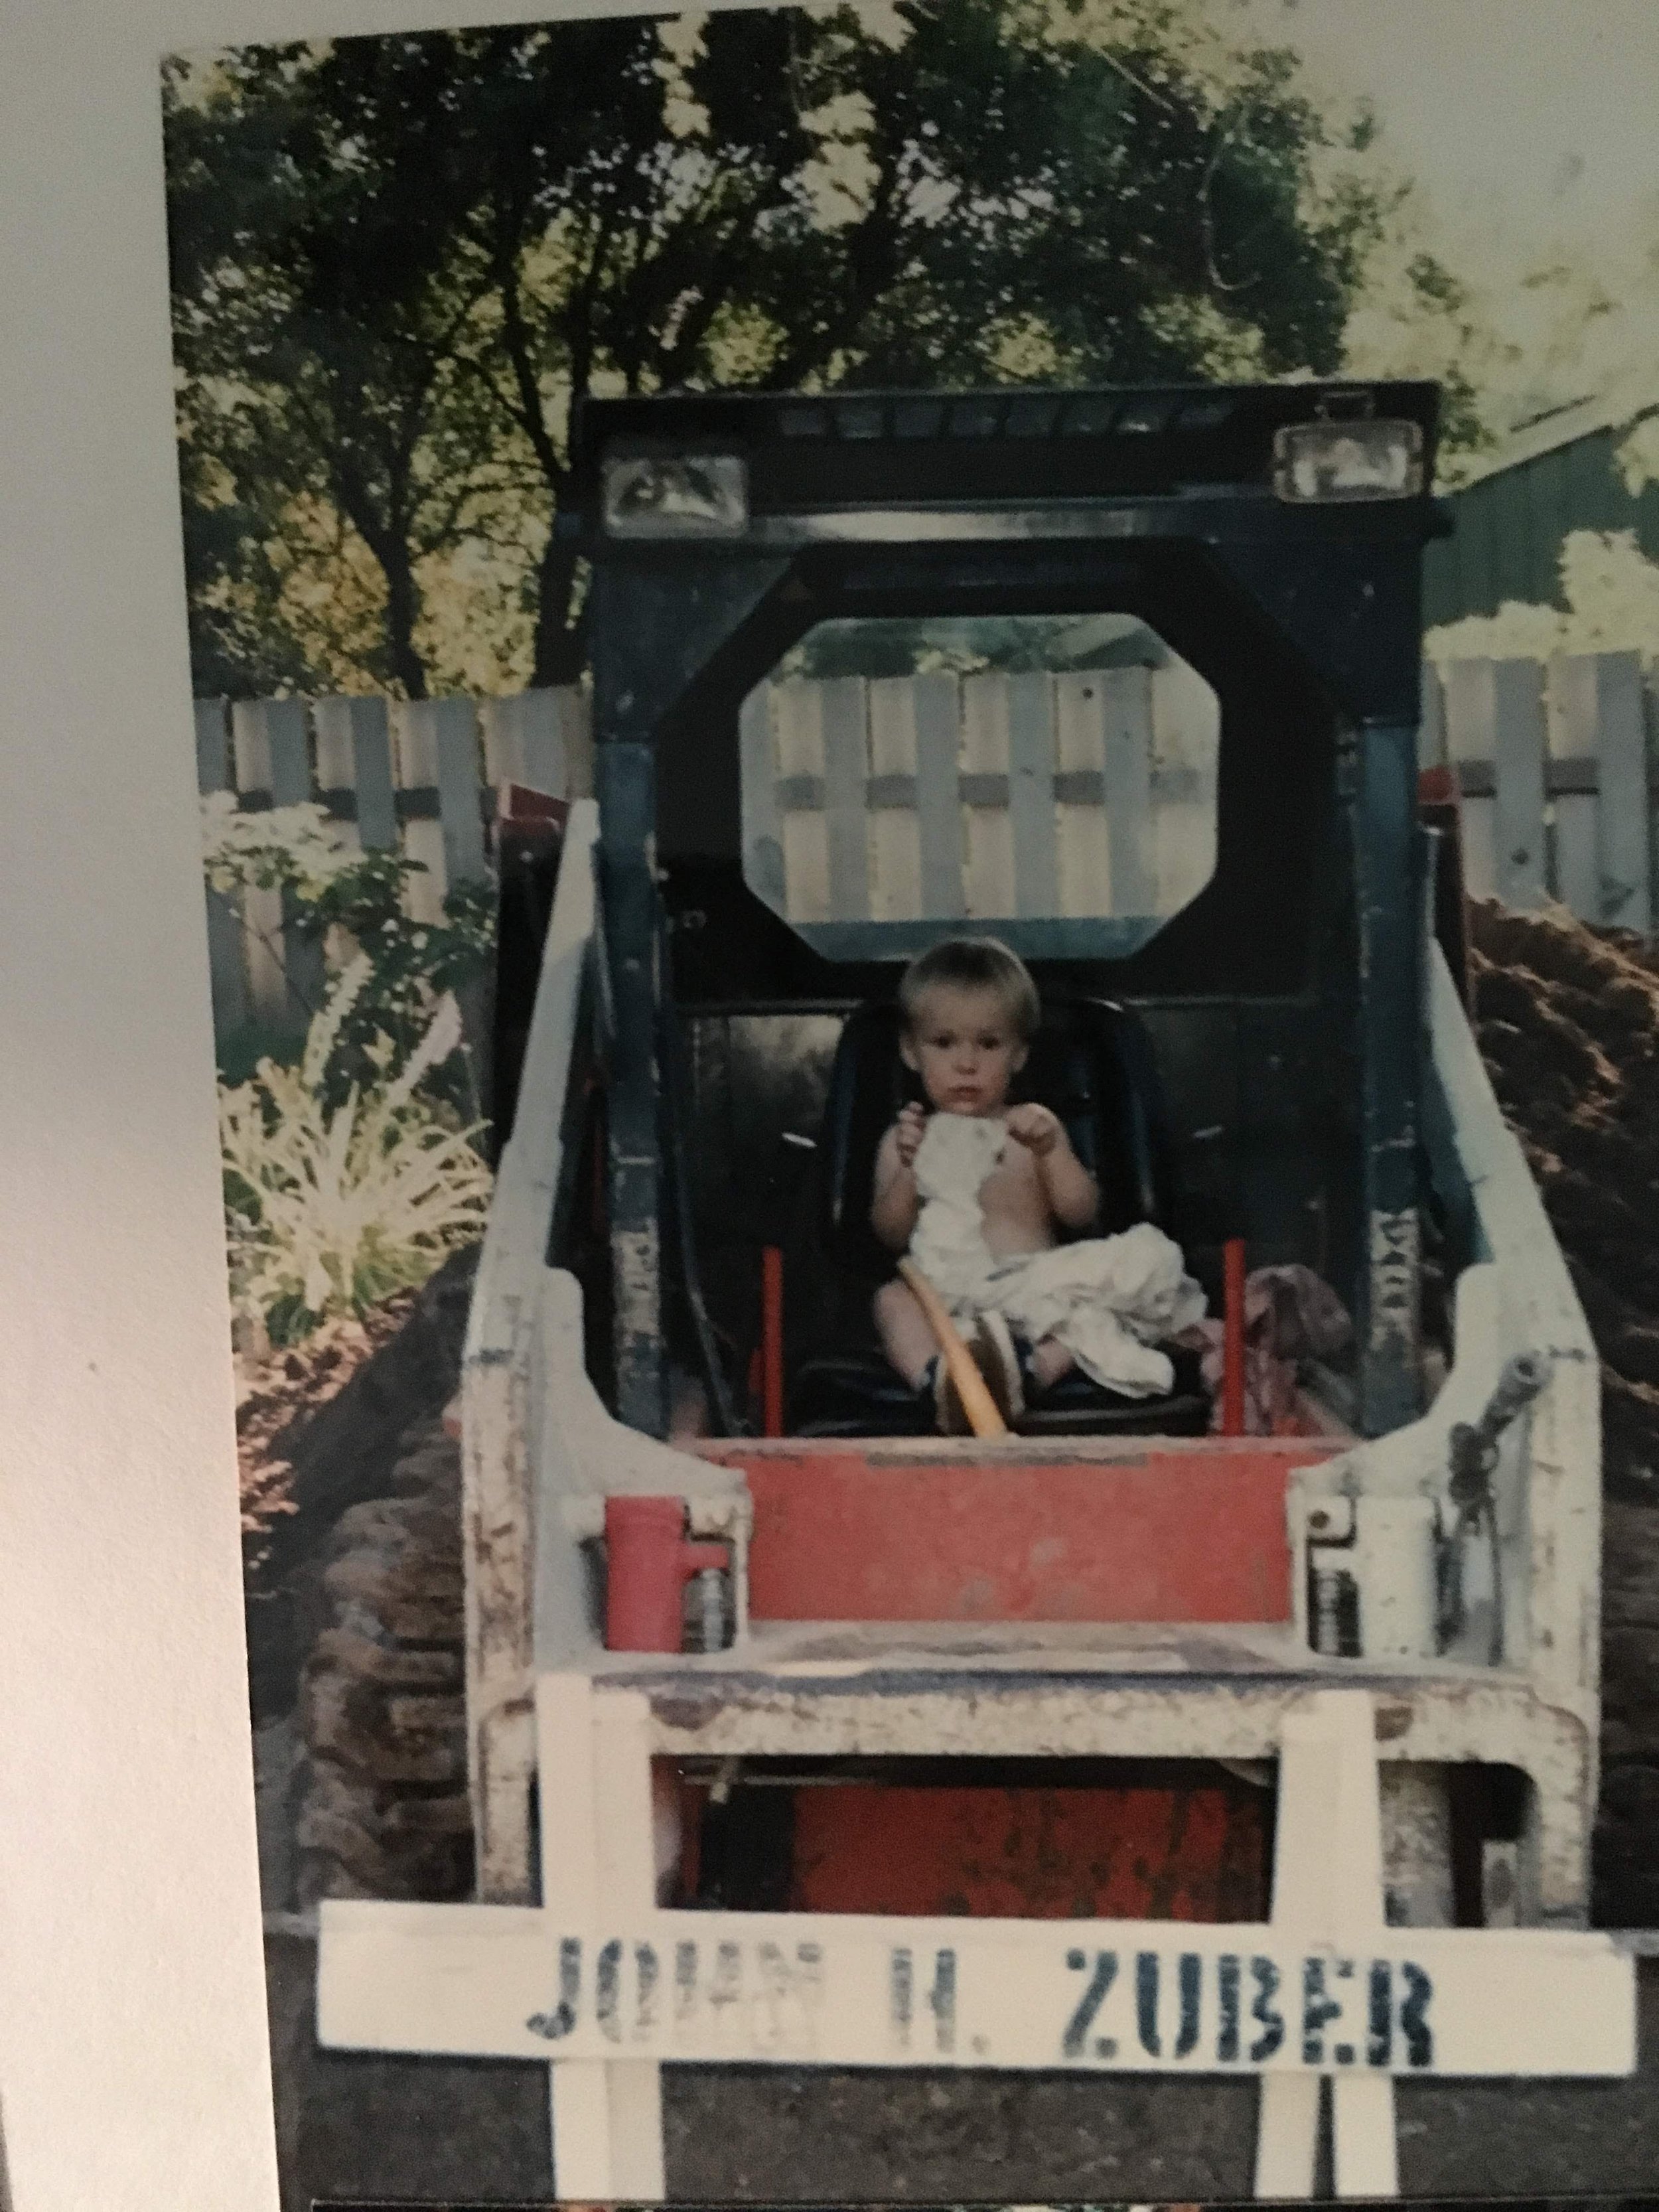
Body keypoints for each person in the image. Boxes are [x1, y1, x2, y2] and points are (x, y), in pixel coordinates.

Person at [869, 935, 1203, 1434]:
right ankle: (941, 1379)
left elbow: (1079, 1213)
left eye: (988, 1044)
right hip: (948, 1303)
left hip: (1035, 1297)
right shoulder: (906, 1137)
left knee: (1104, 1299)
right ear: (911, 1052)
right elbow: (891, 1234)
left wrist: (1054, 1152)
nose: (966, 1063)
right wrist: (908, 1168)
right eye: (944, 1043)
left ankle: (1028, 1372)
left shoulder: (1030, 1130)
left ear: (1019, 1054)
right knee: (891, 1300)